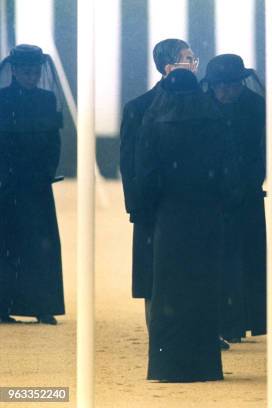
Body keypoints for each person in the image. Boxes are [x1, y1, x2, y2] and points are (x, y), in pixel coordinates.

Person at [136, 68, 231, 382]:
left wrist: (146, 213)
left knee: (168, 292)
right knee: (204, 289)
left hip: (170, 217)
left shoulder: (155, 124)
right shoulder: (215, 123)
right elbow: (228, 173)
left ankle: (168, 365)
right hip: (207, 217)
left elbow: (146, 178)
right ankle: (204, 364)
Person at [119, 38, 198, 331]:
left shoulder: (201, 103)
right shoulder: (138, 108)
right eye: (188, 59)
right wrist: (137, 207)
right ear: (169, 67)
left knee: (191, 271)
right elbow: (128, 163)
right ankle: (158, 334)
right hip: (152, 208)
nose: (193, 65)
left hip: (190, 206)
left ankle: (198, 330)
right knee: (152, 275)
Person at [201, 54, 267, 345]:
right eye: (221, 86)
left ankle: (244, 320)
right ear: (212, 86)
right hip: (211, 196)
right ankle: (223, 322)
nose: (227, 92)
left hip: (249, 193)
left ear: (242, 83)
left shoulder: (257, 106)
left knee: (247, 258)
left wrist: (249, 182)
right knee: (218, 261)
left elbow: (265, 152)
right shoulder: (201, 107)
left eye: (233, 85)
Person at [0, 44, 65, 325]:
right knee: (6, 245)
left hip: (36, 183)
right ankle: (3, 306)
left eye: (35, 70)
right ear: (14, 70)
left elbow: (54, 140)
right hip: (4, 183)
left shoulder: (47, 99)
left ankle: (42, 305)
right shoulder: (1, 99)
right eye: (26, 70)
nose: (31, 75)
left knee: (40, 246)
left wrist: (46, 170)